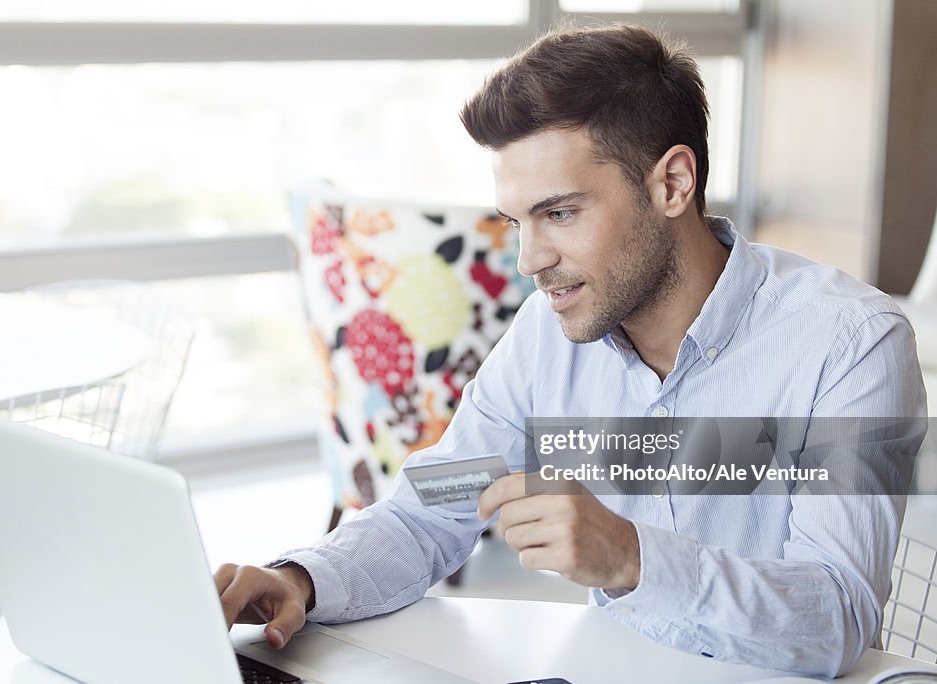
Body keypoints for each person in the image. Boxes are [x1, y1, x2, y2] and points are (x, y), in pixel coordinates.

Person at [215, 24, 927, 677]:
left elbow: (837, 615)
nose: (529, 258)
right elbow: (428, 508)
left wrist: (632, 556)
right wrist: (300, 581)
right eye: (515, 220)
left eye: (559, 212)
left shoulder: (851, 344)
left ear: (672, 183)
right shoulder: (543, 335)